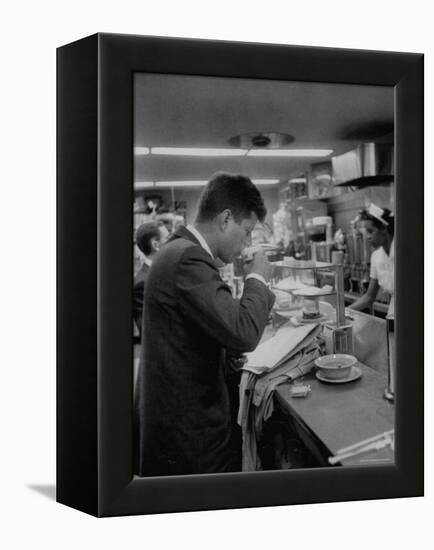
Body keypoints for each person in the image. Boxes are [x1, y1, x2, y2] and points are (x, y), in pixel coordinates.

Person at [134, 172, 276, 476]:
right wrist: (258, 277)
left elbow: (183, 336)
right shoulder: (188, 259)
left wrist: (222, 357)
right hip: (189, 439)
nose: (247, 244)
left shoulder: (175, 251)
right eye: (247, 231)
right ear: (225, 219)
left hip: (172, 427)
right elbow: (243, 332)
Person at [349, 203, 394, 317]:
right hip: (394, 312)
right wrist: (344, 312)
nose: (368, 237)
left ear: (383, 228)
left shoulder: (404, 254)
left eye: (371, 231)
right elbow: (369, 297)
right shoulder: (376, 257)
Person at [133, 222, 169, 335]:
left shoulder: (167, 271)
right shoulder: (142, 283)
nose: (173, 242)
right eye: (168, 238)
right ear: (156, 245)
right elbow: (148, 330)